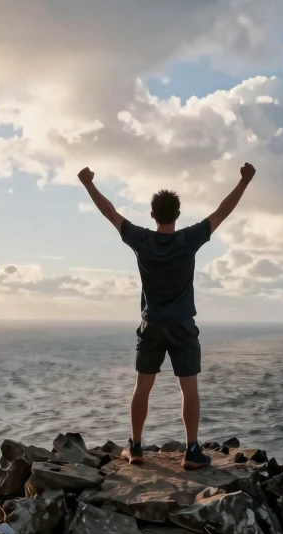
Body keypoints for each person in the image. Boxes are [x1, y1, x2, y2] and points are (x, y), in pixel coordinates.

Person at [77, 162, 256, 470]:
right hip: (182, 325)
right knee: (189, 390)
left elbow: (110, 212)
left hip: (151, 325)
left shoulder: (142, 240)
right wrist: (245, 180)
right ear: (178, 214)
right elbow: (223, 211)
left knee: (142, 386)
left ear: (152, 215)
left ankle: (134, 447)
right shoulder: (189, 240)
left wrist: (88, 184)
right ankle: (191, 450)